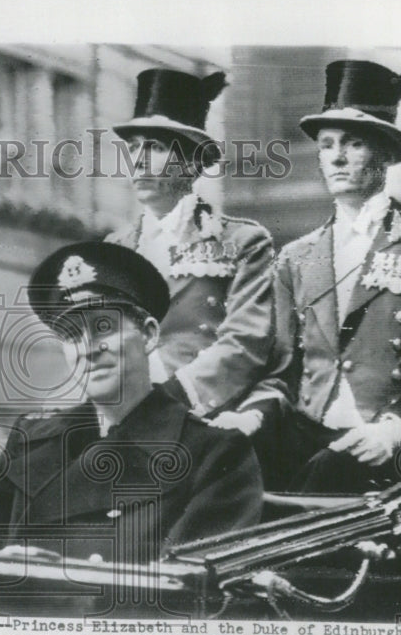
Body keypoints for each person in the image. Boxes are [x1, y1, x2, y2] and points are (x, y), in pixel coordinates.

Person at [0, 241, 263, 566]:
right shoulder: (32, 439)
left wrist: (62, 579)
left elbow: (190, 591)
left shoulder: (213, 454)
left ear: (150, 335)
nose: (87, 348)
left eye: (103, 327)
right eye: (70, 335)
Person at [274, 60, 401, 493]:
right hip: (305, 439)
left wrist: (393, 426)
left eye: (354, 143)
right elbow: (278, 366)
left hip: (391, 450)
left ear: (384, 152)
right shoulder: (296, 257)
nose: (338, 157)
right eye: (328, 145)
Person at [106, 68, 285, 442]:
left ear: (191, 162)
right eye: (133, 146)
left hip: (200, 416)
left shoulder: (243, 241)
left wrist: (172, 397)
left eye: (154, 148)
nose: (137, 160)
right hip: (121, 417)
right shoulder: (115, 249)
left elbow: (245, 343)